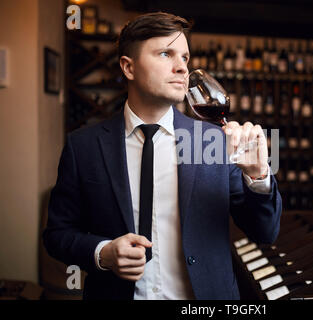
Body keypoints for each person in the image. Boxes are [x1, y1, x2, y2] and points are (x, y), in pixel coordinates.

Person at [43, 12, 282, 300]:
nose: (182, 68)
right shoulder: (83, 146)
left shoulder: (214, 142)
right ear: (128, 67)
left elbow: (265, 232)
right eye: (166, 54)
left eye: (185, 58)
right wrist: (102, 253)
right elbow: (57, 235)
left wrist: (257, 176)